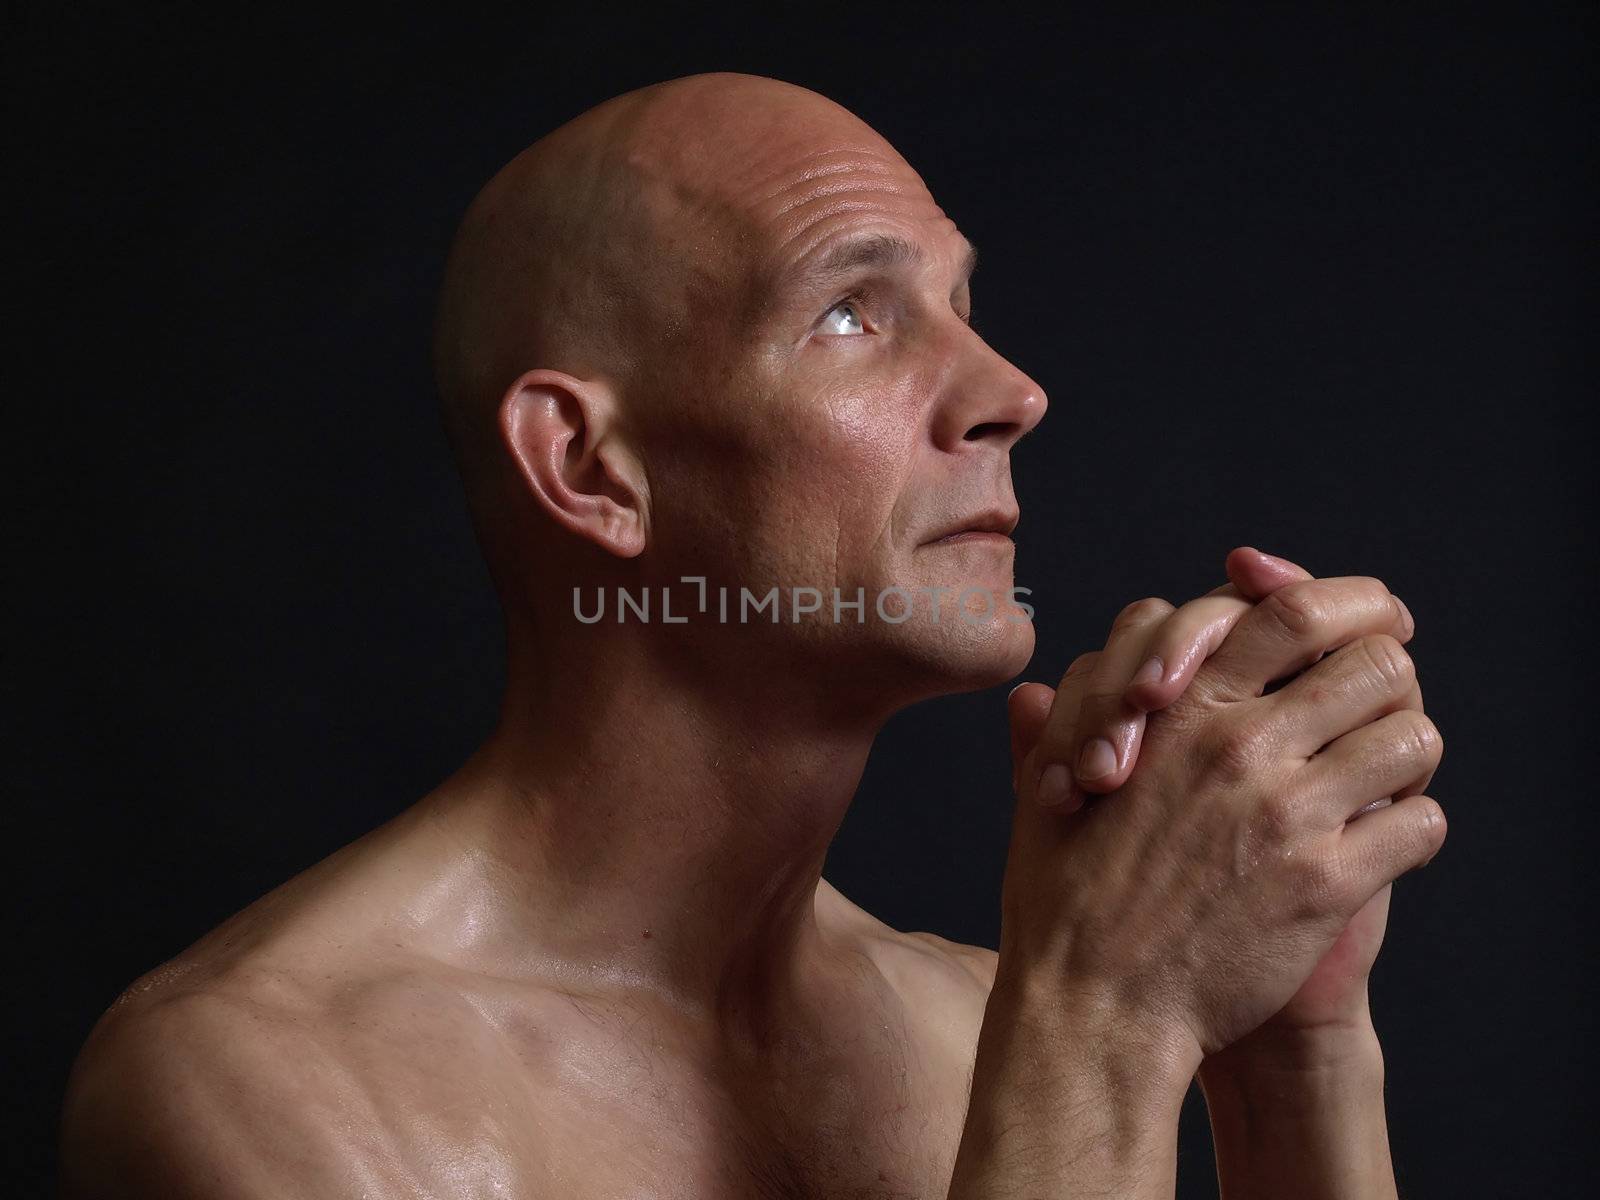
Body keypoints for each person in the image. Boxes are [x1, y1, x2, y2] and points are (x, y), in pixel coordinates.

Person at [59, 71, 1445, 1198]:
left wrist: (1292, 1058)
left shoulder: (983, 1030)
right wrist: (1108, 1022)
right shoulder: (267, 1092)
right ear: (591, 468)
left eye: (963, 305)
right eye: (854, 312)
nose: (1010, 390)